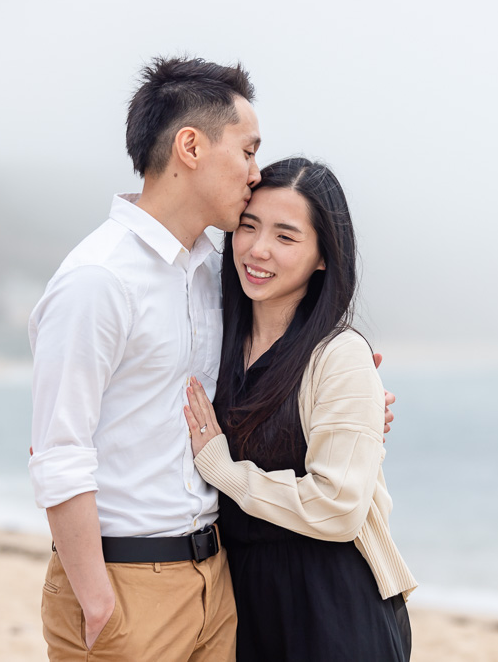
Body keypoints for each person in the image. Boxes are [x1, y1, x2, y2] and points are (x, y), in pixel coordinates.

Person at [28, 58, 394, 661]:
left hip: (219, 583)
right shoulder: (98, 280)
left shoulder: (208, 273)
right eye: (248, 152)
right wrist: (96, 599)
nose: (254, 173)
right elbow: (59, 453)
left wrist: (353, 407)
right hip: (127, 582)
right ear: (191, 146)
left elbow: (265, 383)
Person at [184, 157, 417, 661]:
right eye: (249, 226)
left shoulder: (339, 355)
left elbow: (338, 507)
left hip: (331, 604)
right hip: (239, 598)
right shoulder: (216, 343)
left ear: (323, 257)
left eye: (286, 237)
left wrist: (225, 471)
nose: (258, 249)